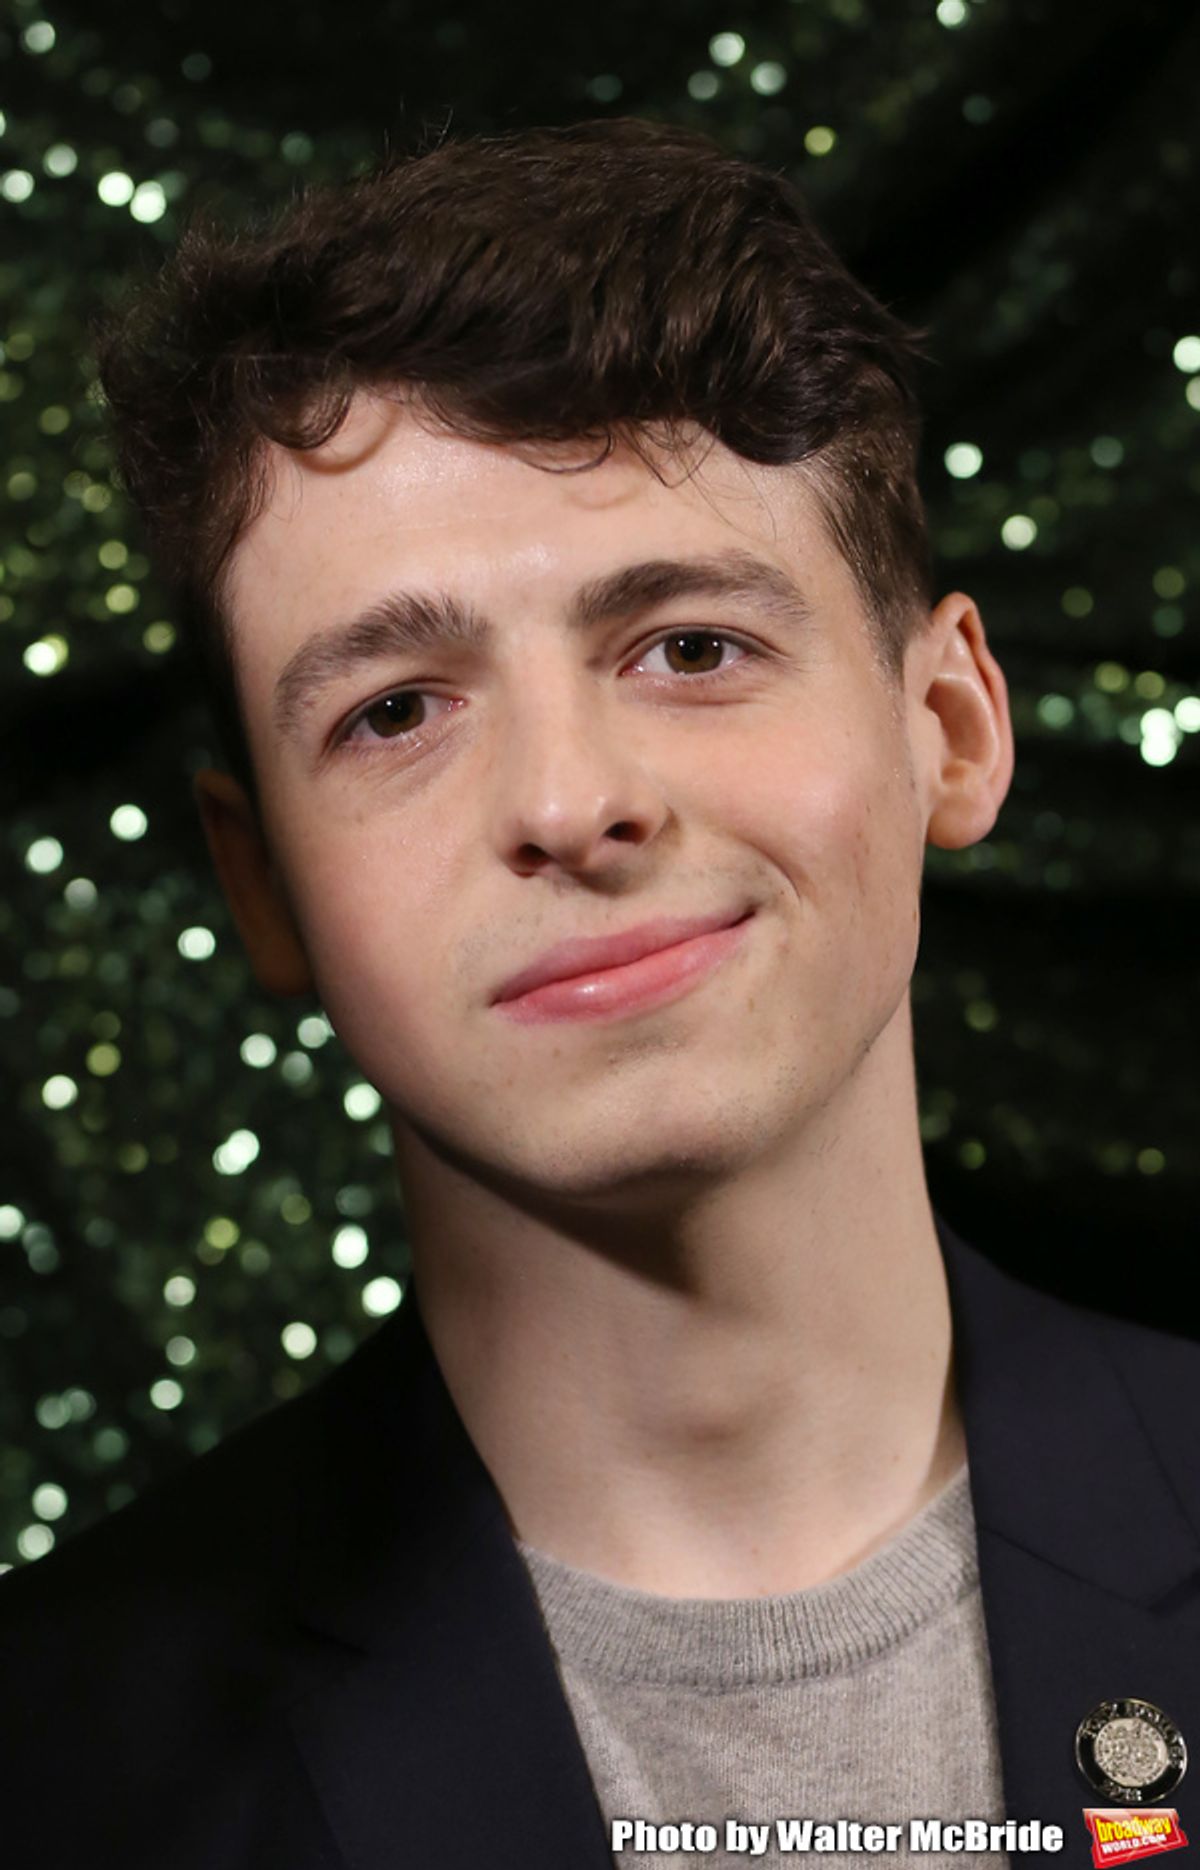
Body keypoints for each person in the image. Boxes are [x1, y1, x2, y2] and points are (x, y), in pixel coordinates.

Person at [2, 118, 1197, 1870]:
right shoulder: (56, 1768)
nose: (569, 804)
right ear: (260, 881)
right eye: (396, 708)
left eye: (692, 646)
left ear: (948, 727)